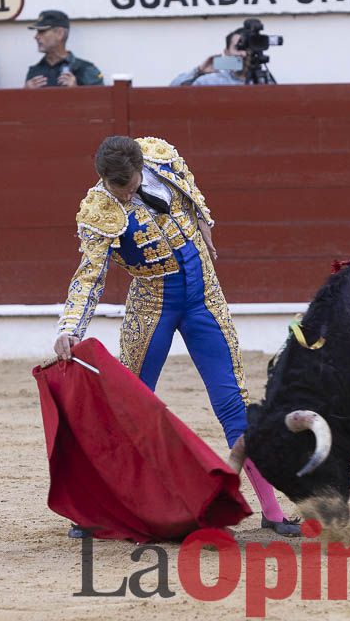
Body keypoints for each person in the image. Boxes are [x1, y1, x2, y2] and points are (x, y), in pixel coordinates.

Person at [53, 135, 301, 538]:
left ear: (139, 165)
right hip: (153, 304)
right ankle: (97, 509)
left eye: (132, 182)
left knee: (233, 399)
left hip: (203, 292)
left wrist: (203, 219)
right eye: (119, 188)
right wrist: (69, 328)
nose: (128, 191)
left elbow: (188, 185)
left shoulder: (158, 156)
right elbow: (90, 276)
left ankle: (272, 510)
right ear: (104, 179)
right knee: (128, 404)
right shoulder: (100, 210)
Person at [23, 10, 105, 87]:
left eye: (42, 31)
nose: (36, 37)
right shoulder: (34, 71)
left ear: (60, 34)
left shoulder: (86, 69)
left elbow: (102, 100)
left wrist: (77, 91)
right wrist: (25, 93)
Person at [169, 26, 249, 86]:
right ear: (227, 52)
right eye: (238, 48)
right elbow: (171, 91)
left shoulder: (261, 80)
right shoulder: (211, 81)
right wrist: (199, 71)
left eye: (248, 49)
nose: (243, 54)